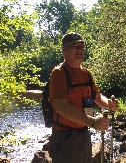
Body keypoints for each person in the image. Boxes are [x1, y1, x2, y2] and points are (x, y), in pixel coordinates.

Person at [48, 32, 119, 163]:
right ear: (63, 50)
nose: (79, 49)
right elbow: (60, 106)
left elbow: (97, 97)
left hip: (84, 133)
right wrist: (92, 122)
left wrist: (108, 103)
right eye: (74, 46)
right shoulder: (59, 73)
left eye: (81, 46)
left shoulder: (86, 73)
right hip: (65, 137)